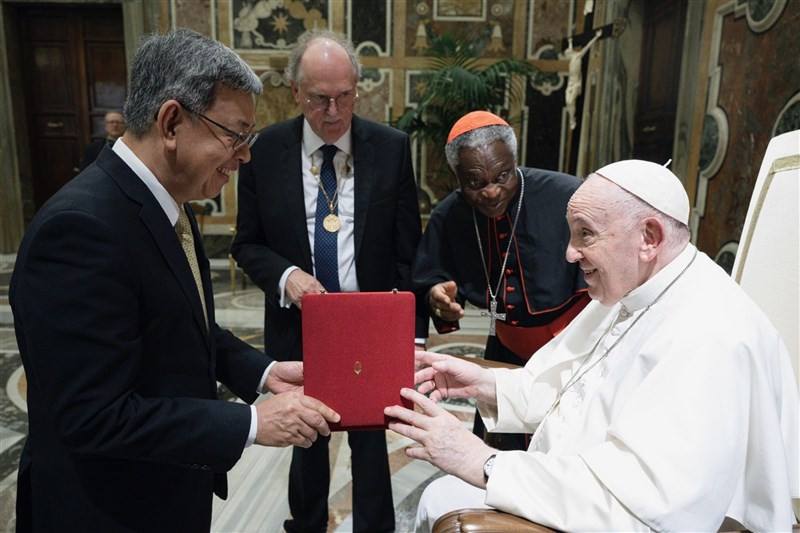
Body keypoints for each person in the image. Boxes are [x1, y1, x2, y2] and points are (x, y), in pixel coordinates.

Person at [10, 29, 340, 532]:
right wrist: (253, 423)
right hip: (106, 510)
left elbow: (179, 324)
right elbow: (93, 416)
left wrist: (261, 372)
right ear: (171, 122)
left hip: (163, 492)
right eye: (235, 135)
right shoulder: (80, 229)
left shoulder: (166, 205)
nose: (245, 155)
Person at [388, 159, 799, 532]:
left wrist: (485, 462)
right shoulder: (636, 286)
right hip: (577, 485)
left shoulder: (710, 335)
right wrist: (485, 384)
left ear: (649, 237)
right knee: (439, 497)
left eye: (585, 234)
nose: (569, 253)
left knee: (444, 498)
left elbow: (647, 507)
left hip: (617, 516)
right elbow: (576, 387)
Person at [231, 30, 421, 532]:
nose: (333, 111)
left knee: (371, 435)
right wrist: (288, 276)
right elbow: (246, 243)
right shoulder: (264, 151)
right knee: (307, 435)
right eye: (319, 98)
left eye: (344, 96)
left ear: (358, 88)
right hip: (300, 325)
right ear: (295, 91)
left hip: (369, 324)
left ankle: (375, 526)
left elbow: (408, 252)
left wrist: (408, 333)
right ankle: (308, 523)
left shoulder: (392, 148)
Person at [412, 110, 589, 450]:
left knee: (563, 443)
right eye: (475, 183)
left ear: (514, 160)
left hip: (570, 348)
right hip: (505, 348)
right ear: (457, 177)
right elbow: (430, 272)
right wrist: (439, 295)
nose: (491, 192)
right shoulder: (450, 214)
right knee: (500, 445)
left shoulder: (568, 195)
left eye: (503, 176)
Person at [563, 30, 601, 130]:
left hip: (576, 83)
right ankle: (572, 117)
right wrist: (570, 42)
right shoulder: (572, 57)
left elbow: (588, 46)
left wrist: (596, 37)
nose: (567, 55)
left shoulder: (578, 55)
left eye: (567, 53)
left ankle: (572, 120)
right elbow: (570, 48)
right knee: (568, 102)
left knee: (570, 101)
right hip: (570, 83)